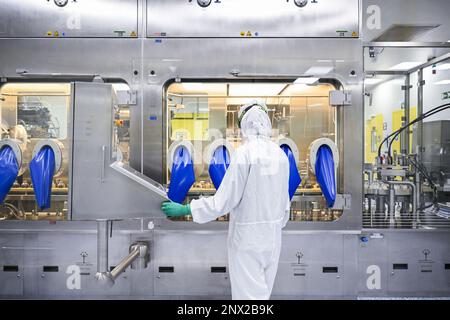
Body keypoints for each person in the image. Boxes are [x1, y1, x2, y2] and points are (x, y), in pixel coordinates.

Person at [161, 101, 290, 300]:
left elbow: (223, 201)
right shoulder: (280, 154)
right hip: (273, 238)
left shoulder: (244, 153)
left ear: (244, 124)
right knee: (262, 294)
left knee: (248, 299)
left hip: (248, 239)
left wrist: (187, 209)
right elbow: (284, 203)